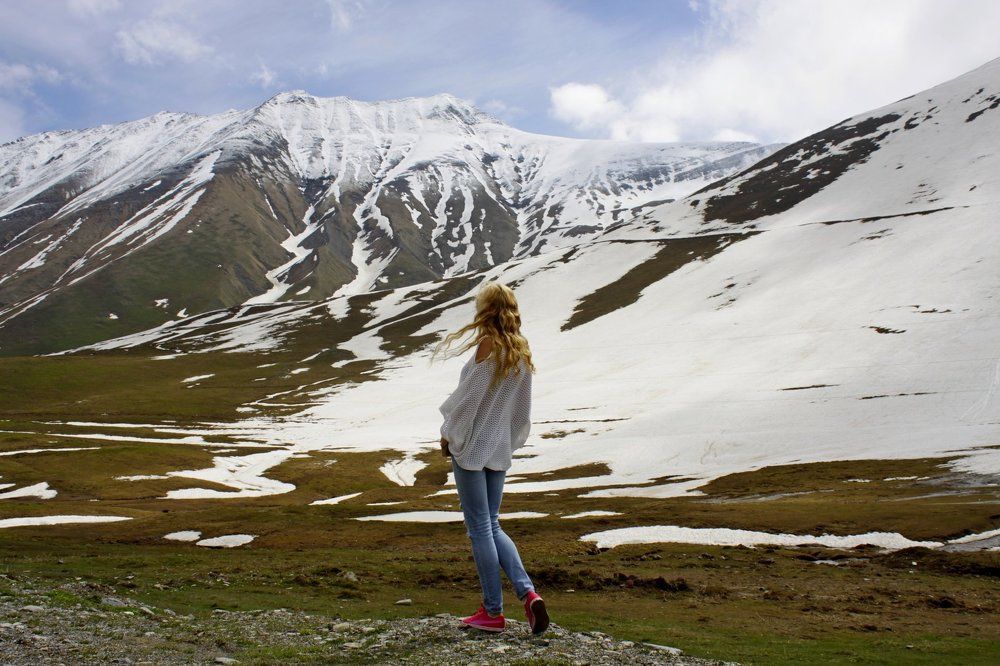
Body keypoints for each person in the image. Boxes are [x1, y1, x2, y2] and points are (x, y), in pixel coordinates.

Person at [432, 280, 549, 635]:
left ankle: (493, 612)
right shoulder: (521, 352)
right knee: (493, 524)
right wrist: (507, 441)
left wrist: (449, 436)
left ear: (488, 309)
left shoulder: (488, 346)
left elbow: (467, 402)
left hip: (471, 449)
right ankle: (528, 594)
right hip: (497, 448)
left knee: (480, 528)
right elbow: (521, 410)